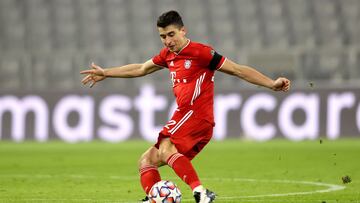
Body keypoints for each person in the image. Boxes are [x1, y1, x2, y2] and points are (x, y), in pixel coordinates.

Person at [81, 10, 290, 203]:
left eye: (171, 34)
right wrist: (106, 72)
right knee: (146, 161)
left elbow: (237, 70)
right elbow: (141, 68)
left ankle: (201, 192)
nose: (167, 41)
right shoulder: (167, 55)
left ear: (183, 30)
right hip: (186, 116)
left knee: (165, 149)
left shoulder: (201, 53)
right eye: (163, 37)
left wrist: (271, 84)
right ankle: (155, 197)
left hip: (196, 115)